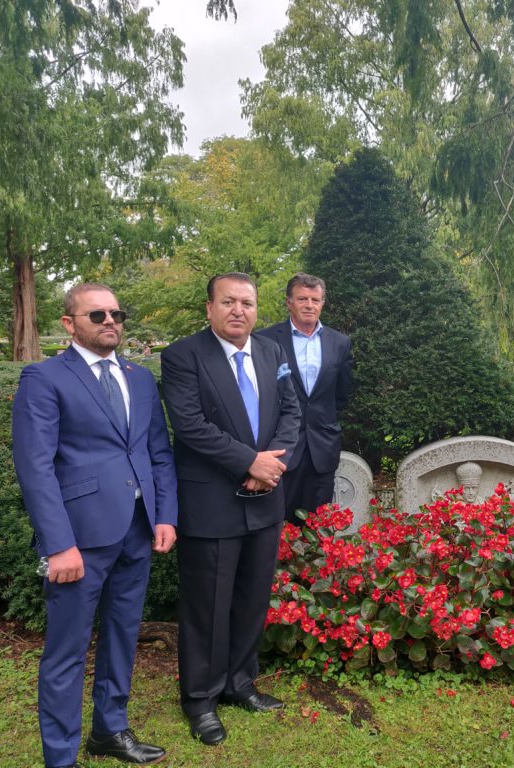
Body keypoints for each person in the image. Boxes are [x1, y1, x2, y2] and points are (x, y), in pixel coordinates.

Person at [12, 284, 177, 768]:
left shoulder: (140, 378)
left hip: (137, 531)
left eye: (116, 314)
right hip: (78, 540)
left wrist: (165, 514)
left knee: (122, 635)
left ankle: (109, 731)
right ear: (69, 323)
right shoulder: (44, 378)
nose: (110, 322)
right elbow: (35, 466)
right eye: (97, 314)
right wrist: (57, 544)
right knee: (67, 652)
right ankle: (61, 758)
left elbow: (158, 452)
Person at [160, 272, 300, 745]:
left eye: (247, 302)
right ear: (209, 308)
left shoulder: (272, 352)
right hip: (212, 501)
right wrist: (248, 461)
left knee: (251, 599)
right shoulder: (183, 356)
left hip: (266, 496)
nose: (239, 310)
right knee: (207, 606)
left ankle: (240, 683)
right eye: (228, 301)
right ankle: (200, 699)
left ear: (257, 309)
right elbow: (190, 425)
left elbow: (291, 413)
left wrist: (271, 465)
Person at [257, 273, 353, 522]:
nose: (309, 305)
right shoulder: (265, 340)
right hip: (280, 446)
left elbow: (341, 393)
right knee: (278, 522)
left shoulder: (340, 342)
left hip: (323, 446)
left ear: (322, 303)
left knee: (318, 525)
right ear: (289, 302)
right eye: (302, 299)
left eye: (315, 300)